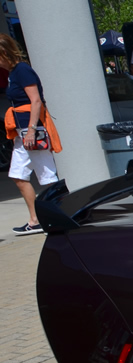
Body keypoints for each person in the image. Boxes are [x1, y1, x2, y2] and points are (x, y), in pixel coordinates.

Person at [0, 34, 61, 236]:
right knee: (18, 175)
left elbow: (36, 101)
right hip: (23, 132)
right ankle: (36, 220)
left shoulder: (22, 70)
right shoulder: (12, 72)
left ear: (5, 53)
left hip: (32, 131)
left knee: (47, 176)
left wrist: (32, 130)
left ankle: (56, 215)